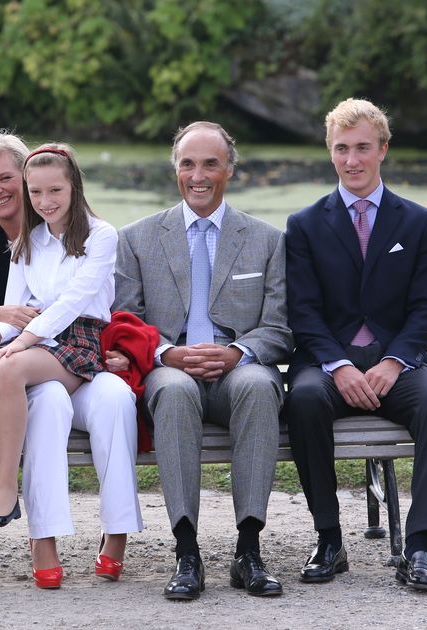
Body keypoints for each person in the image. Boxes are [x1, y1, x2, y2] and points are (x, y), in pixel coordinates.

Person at [283, 97, 427, 593]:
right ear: (330, 152)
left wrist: (393, 362)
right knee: (304, 399)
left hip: (397, 361)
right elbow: (303, 312)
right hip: (327, 362)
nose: (352, 160)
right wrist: (338, 365)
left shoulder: (419, 222)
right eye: (342, 149)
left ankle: (419, 547)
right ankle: (329, 537)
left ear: (383, 149)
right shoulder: (305, 225)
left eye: (362, 147)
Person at [114, 121, 292, 600]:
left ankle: (248, 551)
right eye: (187, 164)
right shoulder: (136, 239)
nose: (198, 175)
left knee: (258, 386)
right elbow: (125, 321)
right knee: (171, 391)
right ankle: (186, 552)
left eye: (210, 163)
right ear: (175, 170)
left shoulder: (267, 240)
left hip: (241, 369)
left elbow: (279, 327)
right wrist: (167, 353)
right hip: (171, 369)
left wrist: (237, 353)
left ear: (229, 170)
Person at [0, 142, 126, 589]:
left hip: (79, 340)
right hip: (37, 340)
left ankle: (8, 490)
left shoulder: (100, 235)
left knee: (8, 370)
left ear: (74, 187)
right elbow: (15, 303)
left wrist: (21, 344)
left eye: (55, 190)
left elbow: (73, 303)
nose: (45, 202)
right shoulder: (28, 240)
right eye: (36, 193)